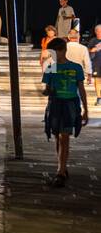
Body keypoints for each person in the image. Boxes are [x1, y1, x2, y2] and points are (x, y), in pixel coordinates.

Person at [42, 37, 88, 186]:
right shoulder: (51, 67)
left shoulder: (76, 67)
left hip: (70, 104)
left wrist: (86, 110)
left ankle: (61, 172)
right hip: (55, 104)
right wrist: (47, 91)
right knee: (57, 136)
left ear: (63, 50)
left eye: (55, 51)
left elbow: (81, 89)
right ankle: (62, 166)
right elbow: (47, 90)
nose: (53, 55)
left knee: (65, 137)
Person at [90, 24, 101, 107]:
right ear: (95, 32)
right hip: (96, 64)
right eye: (98, 31)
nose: (99, 33)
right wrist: (92, 50)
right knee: (97, 81)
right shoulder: (93, 40)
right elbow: (89, 50)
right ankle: (99, 98)